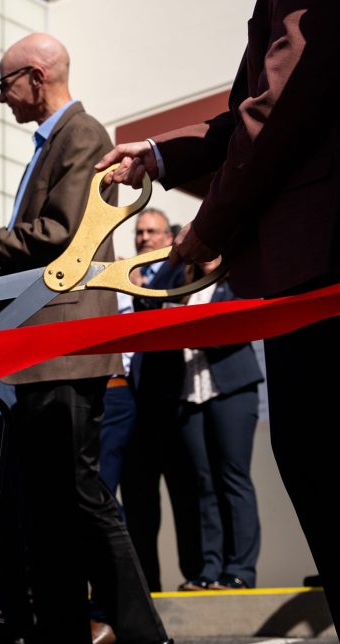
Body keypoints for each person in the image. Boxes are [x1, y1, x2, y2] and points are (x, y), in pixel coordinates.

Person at [97, 2, 340, 644]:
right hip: (303, 256)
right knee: (324, 454)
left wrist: (208, 226)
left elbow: (279, 109)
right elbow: (248, 113)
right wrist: (162, 155)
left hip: (326, 246)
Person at [0, 32, 179, 644]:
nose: (1, 99)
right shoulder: (59, 140)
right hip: (45, 346)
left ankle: (129, 639)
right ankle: (80, 643)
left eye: (5, 85)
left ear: (35, 77)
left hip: (67, 347)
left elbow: (60, 237)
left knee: (75, 497)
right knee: (56, 503)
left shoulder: (82, 134)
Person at [123, 208, 204, 592]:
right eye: (139, 232)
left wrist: (141, 290)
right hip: (135, 406)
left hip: (175, 404)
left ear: (167, 238)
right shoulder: (124, 275)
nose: (143, 238)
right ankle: (147, 583)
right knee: (139, 502)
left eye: (151, 231)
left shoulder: (180, 273)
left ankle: (196, 572)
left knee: (185, 495)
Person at [170, 259, 263, 591]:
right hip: (190, 394)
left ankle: (241, 570)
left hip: (232, 391)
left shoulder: (239, 281)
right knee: (203, 483)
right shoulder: (182, 287)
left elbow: (236, 325)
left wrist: (188, 331)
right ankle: (210, 569)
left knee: (233, 478)